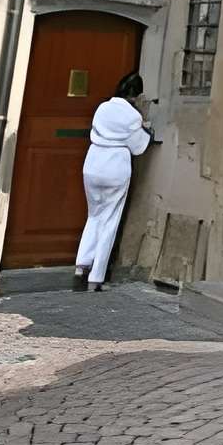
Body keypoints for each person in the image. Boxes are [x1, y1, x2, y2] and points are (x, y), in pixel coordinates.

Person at [74, 74, 151, 291]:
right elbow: (138, 147)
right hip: (115, 166)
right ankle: (96, 279)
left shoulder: (102, 108)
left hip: (93, 163)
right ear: (137, 96)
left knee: (94, 215)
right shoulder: (132, 116)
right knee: (110, 221)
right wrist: (146, 130)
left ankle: (81, 266)